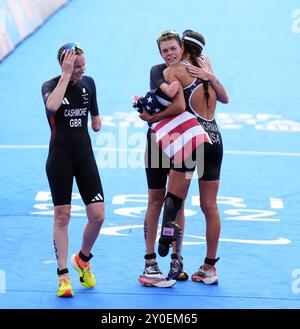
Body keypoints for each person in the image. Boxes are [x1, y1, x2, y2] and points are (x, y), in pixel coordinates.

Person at [154, 30, 229, 285]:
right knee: (210, 206)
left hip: (192, 141)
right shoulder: (207, 66)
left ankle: (166, 239)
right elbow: (226, 98)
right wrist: (211, 76)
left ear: (183, 47)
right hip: (215, 140)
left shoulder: (174, 70)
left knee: (174, 200)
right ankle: (209, 267)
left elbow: (172, 103)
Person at [41, 42, 105, 297]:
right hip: (60, 159)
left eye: (83, 66)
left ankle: (83, 260)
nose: (81, 70)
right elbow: (52, 107)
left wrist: (98, 120)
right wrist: (66, 76)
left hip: (85, 156)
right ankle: (63, 275)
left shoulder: (89, 83)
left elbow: (96, 121)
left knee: (98, 215)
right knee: (63, 216)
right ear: (64, 65)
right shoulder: (50, 86)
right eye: (76, 66)